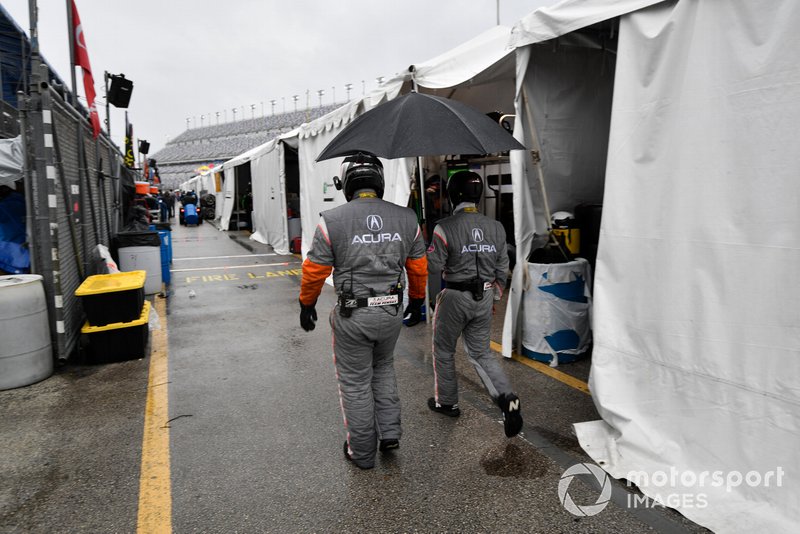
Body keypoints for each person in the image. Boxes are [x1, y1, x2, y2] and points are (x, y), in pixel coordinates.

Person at [299, 152, 428, 470]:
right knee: (383, 368)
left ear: (347, 184)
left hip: (353, 316)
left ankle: (362, 452)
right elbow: (419, 268)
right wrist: (417, 301)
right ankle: (390, 434)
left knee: (355, 382)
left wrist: (307, 305)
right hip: (391, 314)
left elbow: (314, 271)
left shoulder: (332, 220)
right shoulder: (407, 218)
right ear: (379, 182)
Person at [426, 170, 522, 437]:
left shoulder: (444, 227)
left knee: (444, 350)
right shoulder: (497, 227)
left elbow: (433, 266)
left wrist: (427, 243)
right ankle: (507, 397)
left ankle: (447, 402)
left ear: (453, 195)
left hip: (455, 297)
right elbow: (503, 266)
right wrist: (494, 295)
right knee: (481, 353)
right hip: (485, 297)